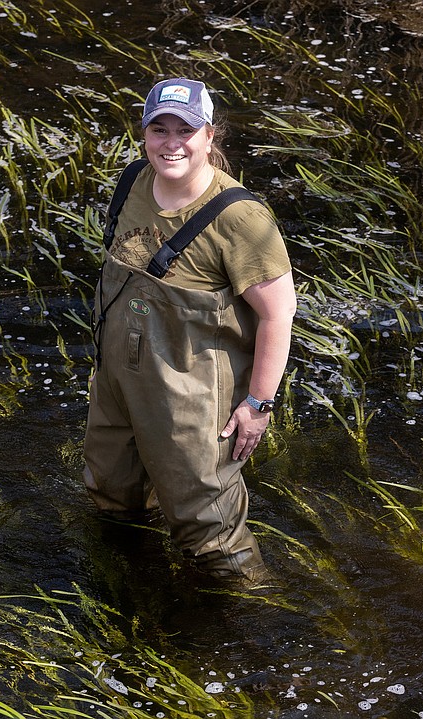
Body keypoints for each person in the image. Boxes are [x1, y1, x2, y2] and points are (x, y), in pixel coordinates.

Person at [83, 77, 296, 583]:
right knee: (112, 496)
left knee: (209, 532)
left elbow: (278, 313)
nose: (171, 142)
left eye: (187, 129)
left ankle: (255, 615)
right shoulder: (134, 180)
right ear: (143, 133)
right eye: (160, 128)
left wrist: (258, 404)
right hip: (117, 380)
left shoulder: (241, 218)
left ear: (209, 136)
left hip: (191, 397)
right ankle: (135, 588)